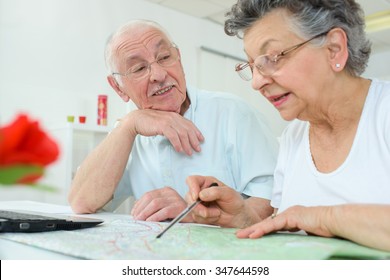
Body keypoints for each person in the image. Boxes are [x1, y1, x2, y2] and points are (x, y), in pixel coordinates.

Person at [186, 0, 390, 252]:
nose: (257, 82)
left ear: (334, 49)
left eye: (272, 58)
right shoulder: (294, 136)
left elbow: (303, 218)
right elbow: (289, 226)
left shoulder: (384, 112)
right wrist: (242, 216)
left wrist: (320, 217)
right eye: (252, 66)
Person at [68, 19, 278, 226]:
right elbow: (81, 202)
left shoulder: (234, 113)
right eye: (139, 69)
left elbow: (273, 204)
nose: (159, 75)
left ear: (179, 59)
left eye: (165, 57)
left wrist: (196, 214)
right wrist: (129, 124)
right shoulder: (127, 131)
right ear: (118, 87)